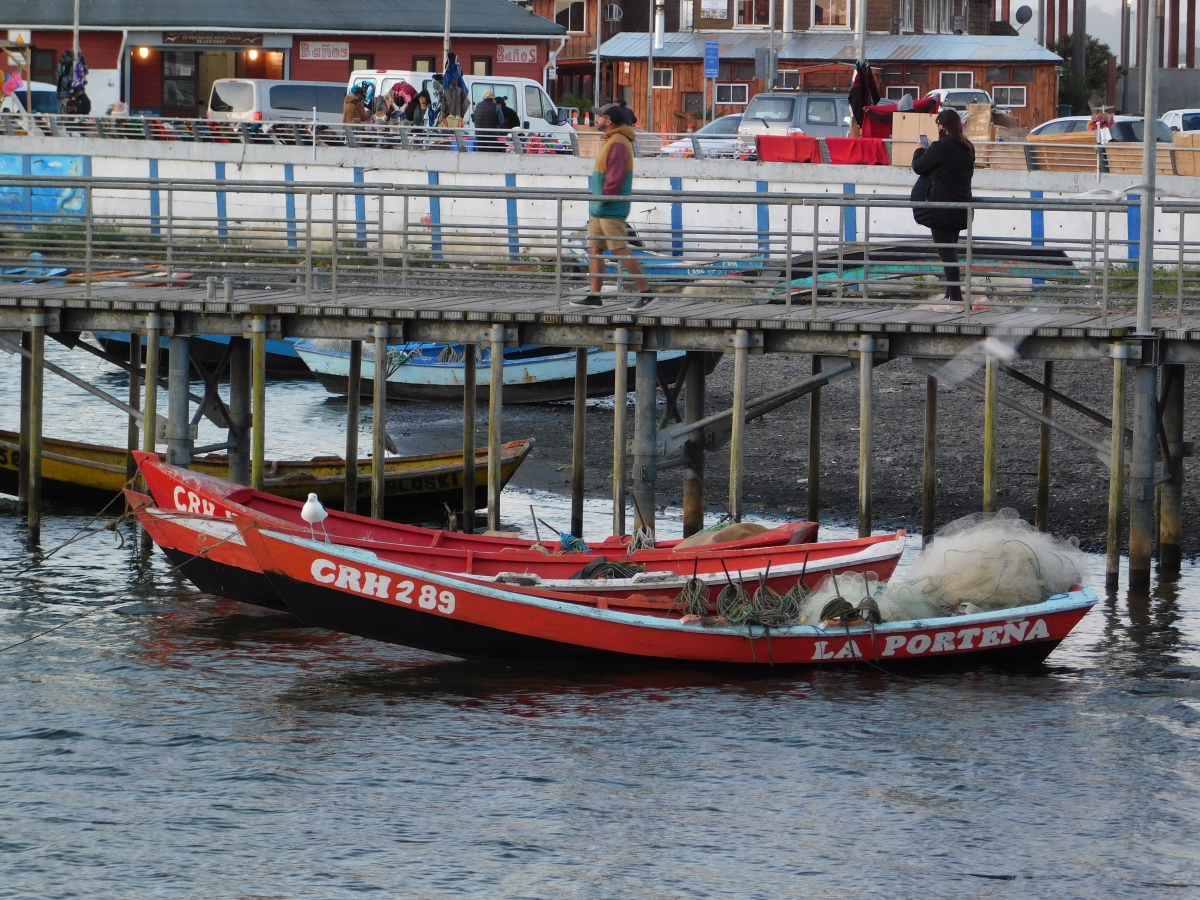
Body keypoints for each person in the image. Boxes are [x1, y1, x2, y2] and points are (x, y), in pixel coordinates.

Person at [570, 103, 653, 310]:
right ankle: (594, 296)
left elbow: (614, 178)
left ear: (608, 121)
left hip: (609, 206)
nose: (595, 119)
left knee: (619, 249)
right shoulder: (612, 140)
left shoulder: (618, 142)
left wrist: (603, 198)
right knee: (594, 249)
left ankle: (646, 292)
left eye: (599, 117)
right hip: (600, 206)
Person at [911, 108, 975, 308]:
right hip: (960, 208)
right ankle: (950, 295)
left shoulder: (940, 147)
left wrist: (921, 148)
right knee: (951, 250)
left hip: (941, 208)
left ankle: (955, 298)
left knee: (946, 253)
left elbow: (919, 167)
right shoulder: (968, 147)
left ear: (942, 126)